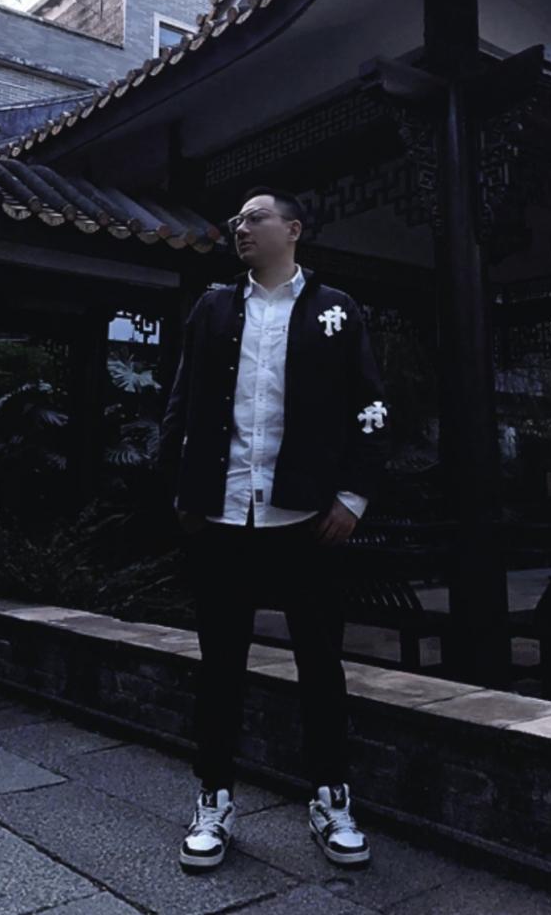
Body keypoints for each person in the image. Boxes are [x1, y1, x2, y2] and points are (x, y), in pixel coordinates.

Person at [158, 186, 389, 871]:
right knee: (220, 666)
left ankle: (332, 797)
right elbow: (182, 399)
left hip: (306, 518)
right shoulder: (212, 308)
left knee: (320, 665)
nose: (240, 227)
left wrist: (352, 497)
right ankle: (213, 798)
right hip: (223, 514)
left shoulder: (336, 310)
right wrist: (179, 488)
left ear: (293, 229)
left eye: (254, 218)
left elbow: (370, 406)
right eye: (236, 220)